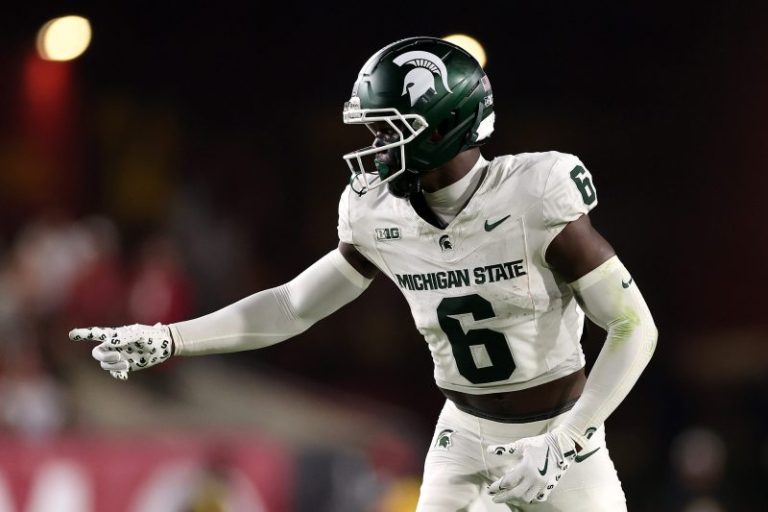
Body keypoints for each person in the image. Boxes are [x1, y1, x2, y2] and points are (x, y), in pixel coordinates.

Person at [70, 36, 658, 511]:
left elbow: (634, 327)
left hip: (560, 433)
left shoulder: (534, 195)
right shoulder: (379, 212)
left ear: (442, 126)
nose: (375, 148)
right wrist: (170, 338)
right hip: (463, 434)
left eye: (388, 130)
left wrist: (566, 440)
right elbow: (292, 305)